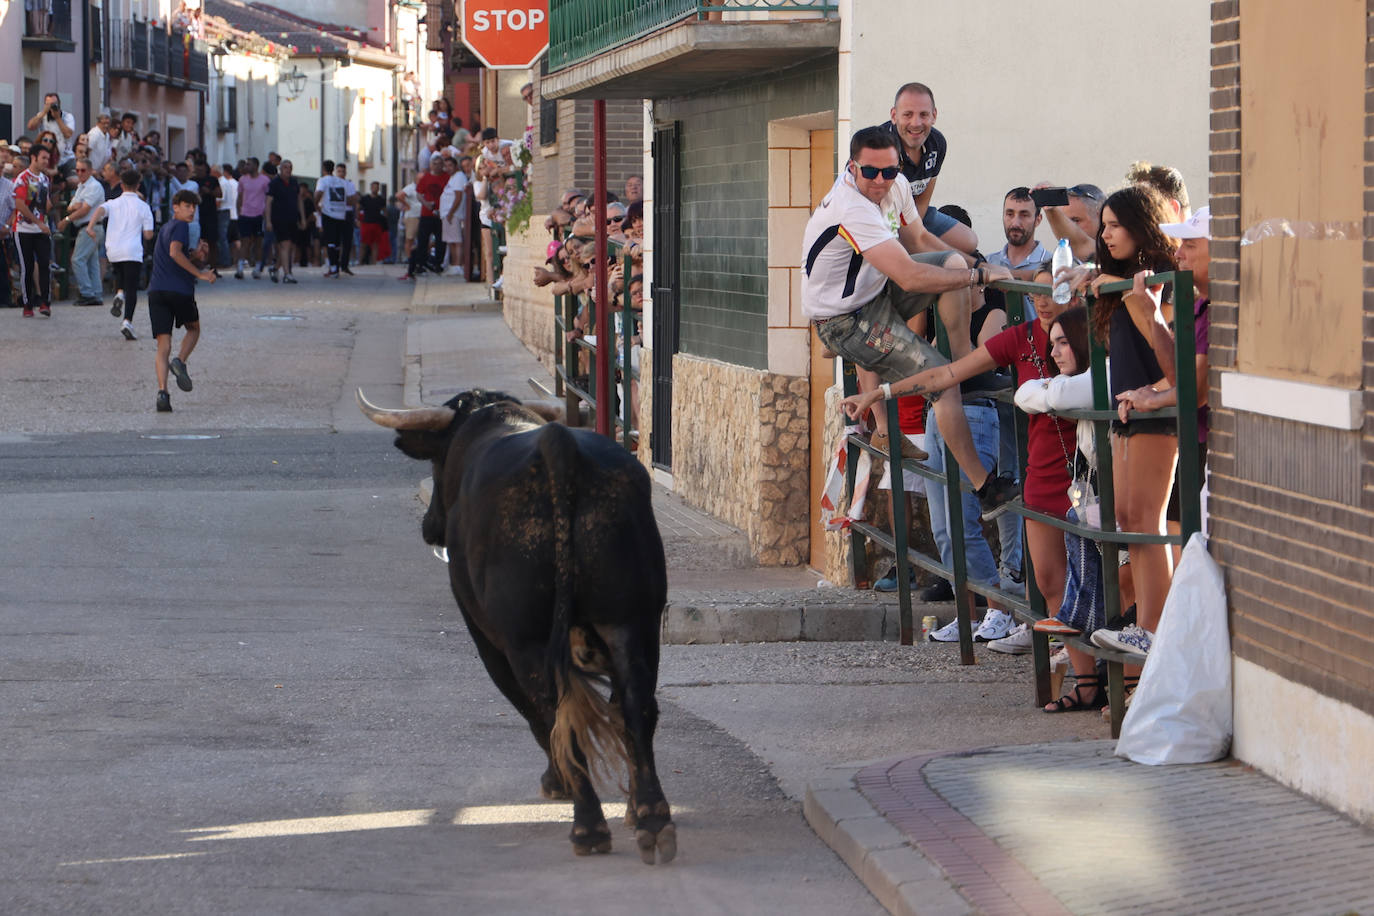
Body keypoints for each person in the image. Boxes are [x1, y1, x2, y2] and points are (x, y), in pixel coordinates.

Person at [840, 261, 1079, 678]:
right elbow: (949, 372)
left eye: (1054, 291)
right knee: (1051, 585)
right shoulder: (1020, 337)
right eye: (1035, 292)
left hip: (1083, 475)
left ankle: (1099, 677)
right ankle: (1079, 676)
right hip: (1041, 474)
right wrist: (880, 392)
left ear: (1073, 293)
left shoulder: (1089, 334)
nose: (1043, 301)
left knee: (1094, 576)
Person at [801, 126, 1018, 519]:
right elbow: (911, 277)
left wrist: (976, 265)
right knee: (941, 378)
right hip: (846, 321)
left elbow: (918, 239)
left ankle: (965, 364)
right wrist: (978, 278)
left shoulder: (895, 184)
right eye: (870, 172)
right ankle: (986, 489)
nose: (881, 181)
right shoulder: (851, 207)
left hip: (874, 293)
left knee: (951, 262)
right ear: (852, 168)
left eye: (889, 171)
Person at [1068, 185, 1180, 660]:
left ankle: (1155, 627)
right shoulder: (1116, 279)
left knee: (1148, 524)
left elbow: (1173, 363)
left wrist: (1146, 312)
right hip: (1125, 410)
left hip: (1158, 413)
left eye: (1116, 225)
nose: (1106, 233)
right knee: (1130, 521)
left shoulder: (1160, 280)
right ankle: (1144, 624)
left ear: (1141, 227)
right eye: (1105, 225)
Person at [1010, 302, 1112, 710]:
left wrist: (1047, 394)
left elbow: (1054, 395)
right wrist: (1047, 393)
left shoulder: (1094, 378)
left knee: (1105, 584)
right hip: (1047, 486)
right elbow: (1024, 393)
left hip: (1087, 492)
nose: (1053, 353)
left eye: (1064, 343)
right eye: (1051, 344)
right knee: (1053, 584)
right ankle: (1085, 681)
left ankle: (1118, 678)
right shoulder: (1060, 382)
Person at [876, 83, 978, 254]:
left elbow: (923, 200)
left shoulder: (937, 143)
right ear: (894, 115)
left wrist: (916, 233)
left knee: (969, 241)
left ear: (934, 115)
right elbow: (874, 205)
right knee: (904, 253)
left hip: (913, 214)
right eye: (907, 114)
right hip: (881, 218)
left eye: (923, 114)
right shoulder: (880, 146)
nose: (916, 123)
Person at [148, 188, 216, 412]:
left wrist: (195, 256)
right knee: (194, 329)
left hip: (156, 291)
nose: (191, 210)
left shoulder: (166, 228)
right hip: (179, 290)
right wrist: (200, 273)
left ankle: (162, 393)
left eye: (193, 207)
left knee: (162, 345)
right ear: (175, 207)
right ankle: (180, 361)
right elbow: (175, 253)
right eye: (187, 206)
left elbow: (176, 255)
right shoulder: (181, 226)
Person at [87, 168, 155, 340]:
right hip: (132, 250)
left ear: (122, 185)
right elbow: (148, 234)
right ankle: (127, 321)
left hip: (113, 249)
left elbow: (100, 210)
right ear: (138, 185)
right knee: (132, 286)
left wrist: (90, 226)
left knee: (120, 272)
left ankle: (119, 293)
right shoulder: (144, 207)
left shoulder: (114, 202)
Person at [59, 159, 108, 305]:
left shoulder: (93, 186)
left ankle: (87, 293)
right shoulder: (82, 186)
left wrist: (67, 219)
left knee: (77, 259)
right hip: (89, 226)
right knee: (91, 261)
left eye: (83, 170)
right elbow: (71, 206)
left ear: (90, 170)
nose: (79, 173)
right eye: (77, 170)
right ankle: (96, 293)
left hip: (90, 226)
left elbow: (85, 209)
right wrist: (75, 208)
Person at [12, 148, 54, 317]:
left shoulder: (44, 179)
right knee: (27, 267)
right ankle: (27, 303)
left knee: (45, 264)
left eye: (48, 158)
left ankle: (45, 301)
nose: (46, 161)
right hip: (24, 229)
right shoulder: (23, 179)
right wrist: (38, 222)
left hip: (40, 229)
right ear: (34, 158)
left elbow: (47, 203)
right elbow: (20, 205)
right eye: (43, 158)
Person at [986, 187, 1054, 280]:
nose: (1015, 223)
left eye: (1024, 215)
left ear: (1038, 220)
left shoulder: (1053, 265)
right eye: (1010, 214)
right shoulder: (988, 262)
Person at [402, 156, 446, 280]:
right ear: (431, 165)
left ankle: (438, 263)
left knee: (440, 241)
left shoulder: (446, 177)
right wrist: (426, 204)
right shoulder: (425, 177)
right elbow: (419, 194)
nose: (437, 166)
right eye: (435, 164)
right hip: (426, 213)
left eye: (439, 164)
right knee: (423, 240)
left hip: (440, 214)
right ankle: (421, 264)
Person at [1036, 182, 1104, 261]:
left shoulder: (1114, 253)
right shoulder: (1060, 258)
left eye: (1076, 220)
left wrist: (1051, 209)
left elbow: (1080, 244)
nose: (1068, 226)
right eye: (1065, 220)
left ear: (1101, 217)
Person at [265, 160, 301, 283]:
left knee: (289, 247)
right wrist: (268, 221)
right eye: (285, 167)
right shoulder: (274, 183)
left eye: (290, 167)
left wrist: (303, 218)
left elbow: (299, 200)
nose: (288, 170)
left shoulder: (294, 182)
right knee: (285, 244)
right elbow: (268, 202)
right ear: (280, 169)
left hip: (292, 218)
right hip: (279, 219)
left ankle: (275, 268)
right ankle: (287, 274)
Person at [316, 159, 352, 277]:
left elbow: (318, 194)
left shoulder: (323, 180)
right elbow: (351, 198)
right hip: (341, 214)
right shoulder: (342, 182)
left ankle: (333, 268)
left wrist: (316, 206)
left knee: (330, 242)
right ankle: (336, 267)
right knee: (337, 243)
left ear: (323, 169)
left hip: (328, 213)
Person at [236, 156, 269, 278]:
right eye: (246, 164)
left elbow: (268, 198)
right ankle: (240, 268)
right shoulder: (242, 180)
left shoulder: (264, 180)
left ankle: (257, 268)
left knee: (258, 242)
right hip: (245, 214)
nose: (246, 167)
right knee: (245, 241)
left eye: (249, 164)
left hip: (259, 215)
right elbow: (239, 197)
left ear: (256, 166)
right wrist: (239, 211)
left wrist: (266, 215)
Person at [26, 94, 75, 170]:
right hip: (48, 157)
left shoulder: (67, 117)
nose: (51, 107)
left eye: (54, 104)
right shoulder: (42, 116)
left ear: (59, 104)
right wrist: (43, 113)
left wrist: (58, 118)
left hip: (66, 158)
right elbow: (30, 127)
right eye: (49, 104)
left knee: (72, 179)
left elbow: (68, 134)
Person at [441, 156, 469, 276]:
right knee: (450, 241)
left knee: (456, 241)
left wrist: (451, 212)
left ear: (455, 166)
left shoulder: (458, 177)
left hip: (453, 214)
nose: (447, 168)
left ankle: (458, 265)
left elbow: (458, 196)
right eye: (445, 166)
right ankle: (453, 265)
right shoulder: (452, 178)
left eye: (450, 166)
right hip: (448, 214)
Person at [358, 180, 390, 264]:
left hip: (377, 224)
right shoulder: (365, 198)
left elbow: (385, 211)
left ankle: (374, 263)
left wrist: (384, 221)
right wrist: (358, 220)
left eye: (376, 187)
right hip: (366, 223)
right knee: (363, 243)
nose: (375, 189)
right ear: (371, 188)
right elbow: (358, 208)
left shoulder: (381, 199)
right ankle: (360, 261)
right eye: (373, 187)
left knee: (375, 244)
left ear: (378, 189)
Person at [217, 161, 238, 270]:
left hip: (223, 211)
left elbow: (220, 200)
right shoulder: (231, 182)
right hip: (231, 212)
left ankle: (225, 260)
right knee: (230, 239)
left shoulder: (222, 183)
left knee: (223, 238)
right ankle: (229, 259)